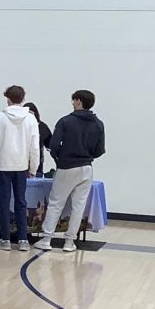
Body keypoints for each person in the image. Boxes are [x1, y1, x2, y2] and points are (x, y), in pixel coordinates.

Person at [35, 90, 106, 254]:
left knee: (55, 203)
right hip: (86, 168)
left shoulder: (66, 121)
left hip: (67, 166)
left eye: (74, 100)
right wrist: (87, 156)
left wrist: (61, 156)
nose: (72, 103)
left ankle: (46, 239)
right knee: (79, 205)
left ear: (79, 101)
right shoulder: (98, 123)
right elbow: (100, 150)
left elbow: (53, 144)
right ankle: (69, 242)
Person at [0, 84, 40, 252]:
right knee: (21, 202)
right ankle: (23, 239)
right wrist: (33, 167)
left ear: (7, 99)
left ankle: (5, 239)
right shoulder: (31, 119)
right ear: (23, 99)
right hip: (22, 166)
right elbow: (35, 146)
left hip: (2, 165)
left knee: (3, 202)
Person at [25, 102, 53, 175]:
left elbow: (51, 145)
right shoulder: (18, 127)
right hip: (19, 168)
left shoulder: (42, 127)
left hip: (37, 168)